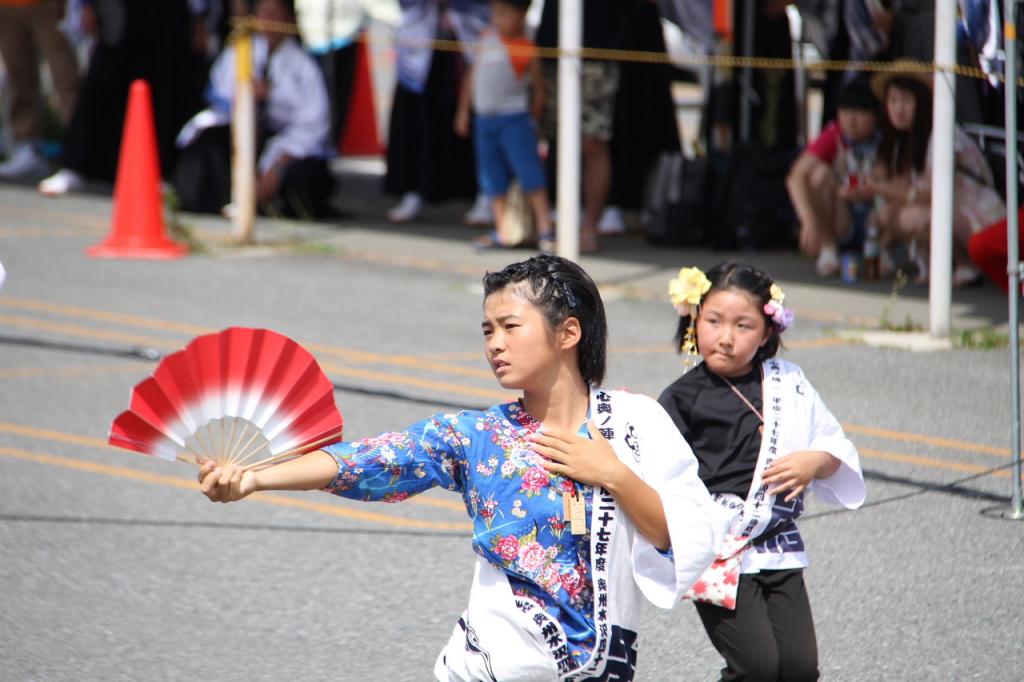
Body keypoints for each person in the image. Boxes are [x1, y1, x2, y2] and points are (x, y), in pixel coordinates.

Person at [198, 254, 726, 681]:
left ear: (568, 333)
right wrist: (255, 478)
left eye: (509, 326)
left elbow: (677, 536)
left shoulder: (636, 423)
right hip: (489, 664)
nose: (494, 343)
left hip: (596, 667)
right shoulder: (477, 436)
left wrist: (613, 473)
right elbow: (368, 460)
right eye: (487, 329)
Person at [658, 262, 866, 682]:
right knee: (755, 668)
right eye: (713, 321)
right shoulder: (682, 397)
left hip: (777, 544)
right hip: (717, 548)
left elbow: (831, 441)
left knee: (799, 669)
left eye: (744, 325)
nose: (726, 337)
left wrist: (816, 462)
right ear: (694, 319)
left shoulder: (788, 381)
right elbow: (660, 474)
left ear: (769, 331)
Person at [173, 0, 336, 218]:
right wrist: (246, 94)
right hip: (241, 129)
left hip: (286, 143)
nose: (270, 21)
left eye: (276, 14)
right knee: (207, 146)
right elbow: (218, 93)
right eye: (264, 13)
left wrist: (277, 165)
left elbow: (314, 124)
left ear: (289, 19)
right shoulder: (241, 51)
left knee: (304, 177)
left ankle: (269, 201)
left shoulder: (303, 66)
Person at [37, 0, 207, 196]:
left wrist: (199, 12)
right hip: (119, 9)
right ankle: (76, 166)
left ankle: (158, 171)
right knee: (101, 80)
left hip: (166, 14)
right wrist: (87, 5)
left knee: (165, 86)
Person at [856, 64, 1005, 285]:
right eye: (893, 100)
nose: (898, 109)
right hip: (957, 218)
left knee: (913, 216)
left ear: (922, 102)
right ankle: (933, 265)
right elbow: (899, 192)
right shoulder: (903, 141)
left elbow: (932, 193)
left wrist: (878, 188)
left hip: (981, 220)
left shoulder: (943, 135)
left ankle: (967, 264)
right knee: (887, 212)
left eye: (906, 100)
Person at [454, 0, 553, 251]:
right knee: (491, 178)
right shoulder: (486, 39)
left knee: (529, 173)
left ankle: (545, 230)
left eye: (506, 14)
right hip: (484, 119)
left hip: (514, 118)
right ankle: (503, 230)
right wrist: (464, 111)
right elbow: (471, 76)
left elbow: (539, 90)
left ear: (521, 16)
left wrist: (532, 117)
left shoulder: (525, 47)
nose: (499, 19)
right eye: (496, 13)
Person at [384, 0, 485, 223]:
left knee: (482, 116)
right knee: (416, 121)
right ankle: (413, 189)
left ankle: (486, 194)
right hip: (419, 42)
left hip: (469, 33)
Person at [534, 0, 622, 254]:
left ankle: (589, 227)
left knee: (592, 142)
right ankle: (544, 225)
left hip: (597, 51)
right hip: (551, 49)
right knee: (547, 138)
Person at [786, 76, 880, 277]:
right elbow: (796, 176)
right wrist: (808, 220)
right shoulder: (835, 134)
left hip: (878, 216)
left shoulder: (886, 137)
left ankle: (886, 252)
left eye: (859, 111)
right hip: (844, 217)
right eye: (845, 111)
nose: (851, 119)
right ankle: (828, 249)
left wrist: (875, 189)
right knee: (819, 175)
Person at [0, 0, 80, 180]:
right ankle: (27, 148)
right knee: (18, 76)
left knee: (65, 78)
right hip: (7, 5)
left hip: (49, 5)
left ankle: (80, 154)